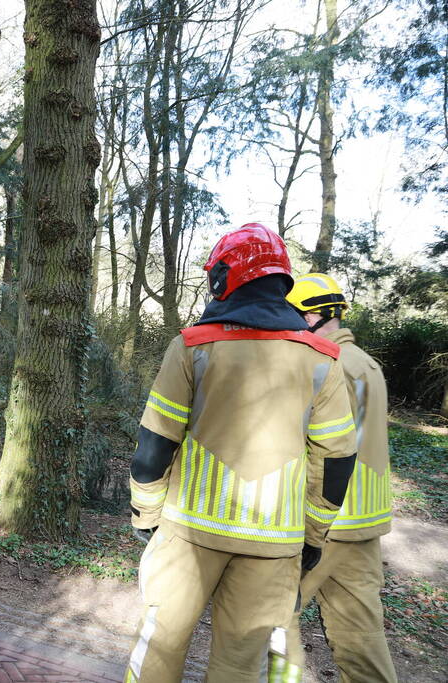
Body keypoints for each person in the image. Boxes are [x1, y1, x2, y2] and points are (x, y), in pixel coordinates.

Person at [125, 224, 358, 682]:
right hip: (274, 545)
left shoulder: (192, 346)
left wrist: (145, 516)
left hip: (188, 533)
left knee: (159, 649)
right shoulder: (323, 360)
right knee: (239, 668)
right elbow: (335, 460)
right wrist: (313, 536)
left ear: (224, 278)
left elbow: (156, 442)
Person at [284, 273, 397, 682]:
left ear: (315, 314)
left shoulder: (325, 365)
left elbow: (322, 448)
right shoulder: (366, 363)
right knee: (362, 638)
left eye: (293, 314)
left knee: (273, 622)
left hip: (325, 521)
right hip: (363, 527)